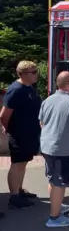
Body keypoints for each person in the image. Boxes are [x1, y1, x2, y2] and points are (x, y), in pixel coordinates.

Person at [39, 71, 69, 227]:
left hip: (47, 146)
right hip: (63, 149)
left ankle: (56, 206)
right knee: (60, 182)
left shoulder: (48, 100)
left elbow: (42, 123)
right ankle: (54, 217)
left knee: (52, 179)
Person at [0, 60, 42, 209]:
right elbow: (4, 115)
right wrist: (8, 128)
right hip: (19, 134)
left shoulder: (29, 87)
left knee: (23, 163)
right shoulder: (15, 90)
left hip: (29, 134)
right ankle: (14, 197)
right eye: (33, 72)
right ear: (23, 74)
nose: (36, 74)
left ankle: (19, 189)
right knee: (17, 164)